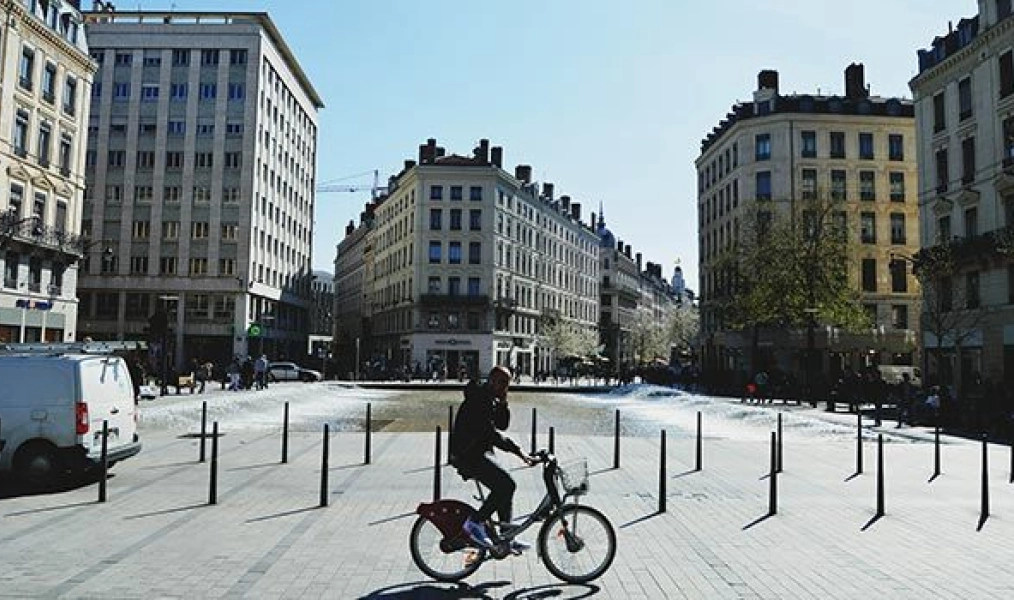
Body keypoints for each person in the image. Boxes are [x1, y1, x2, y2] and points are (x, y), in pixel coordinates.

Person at [450, 365, 534, 553]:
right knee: (507, 485)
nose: (505, 387)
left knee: (505, 488)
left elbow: (502, 425)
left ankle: (506, 539)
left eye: (507, 384)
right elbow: (492, 434)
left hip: (479, 451)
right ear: (491, 381)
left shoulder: (490, 399)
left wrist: (503, 402)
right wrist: (519, 452)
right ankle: (475, 523)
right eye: (502, 383)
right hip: (468, 454)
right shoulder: (479, 401)